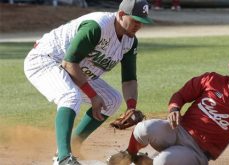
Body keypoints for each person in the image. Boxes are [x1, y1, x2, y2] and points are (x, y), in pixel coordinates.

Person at [23, 0, 152, 164]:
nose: (138, 25)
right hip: (46, 60)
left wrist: (131, 107)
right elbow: (69, 62)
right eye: (135, 20)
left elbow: (129, 79)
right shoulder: (97, 26)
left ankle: (73, 145)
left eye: (142, 22)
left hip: (74, 69)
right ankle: (62, 158)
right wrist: (92, 95)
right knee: (70, 96)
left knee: (112, 100)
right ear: (121, 15)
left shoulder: (130, 41)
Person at [109, 51, 229, 165]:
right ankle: (130, 155)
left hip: (197, 152)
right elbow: (180, 95)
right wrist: (174, 109)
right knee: (143, 128)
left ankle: (149, 163)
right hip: (177, 130)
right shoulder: (212, 80)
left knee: (163, 162)